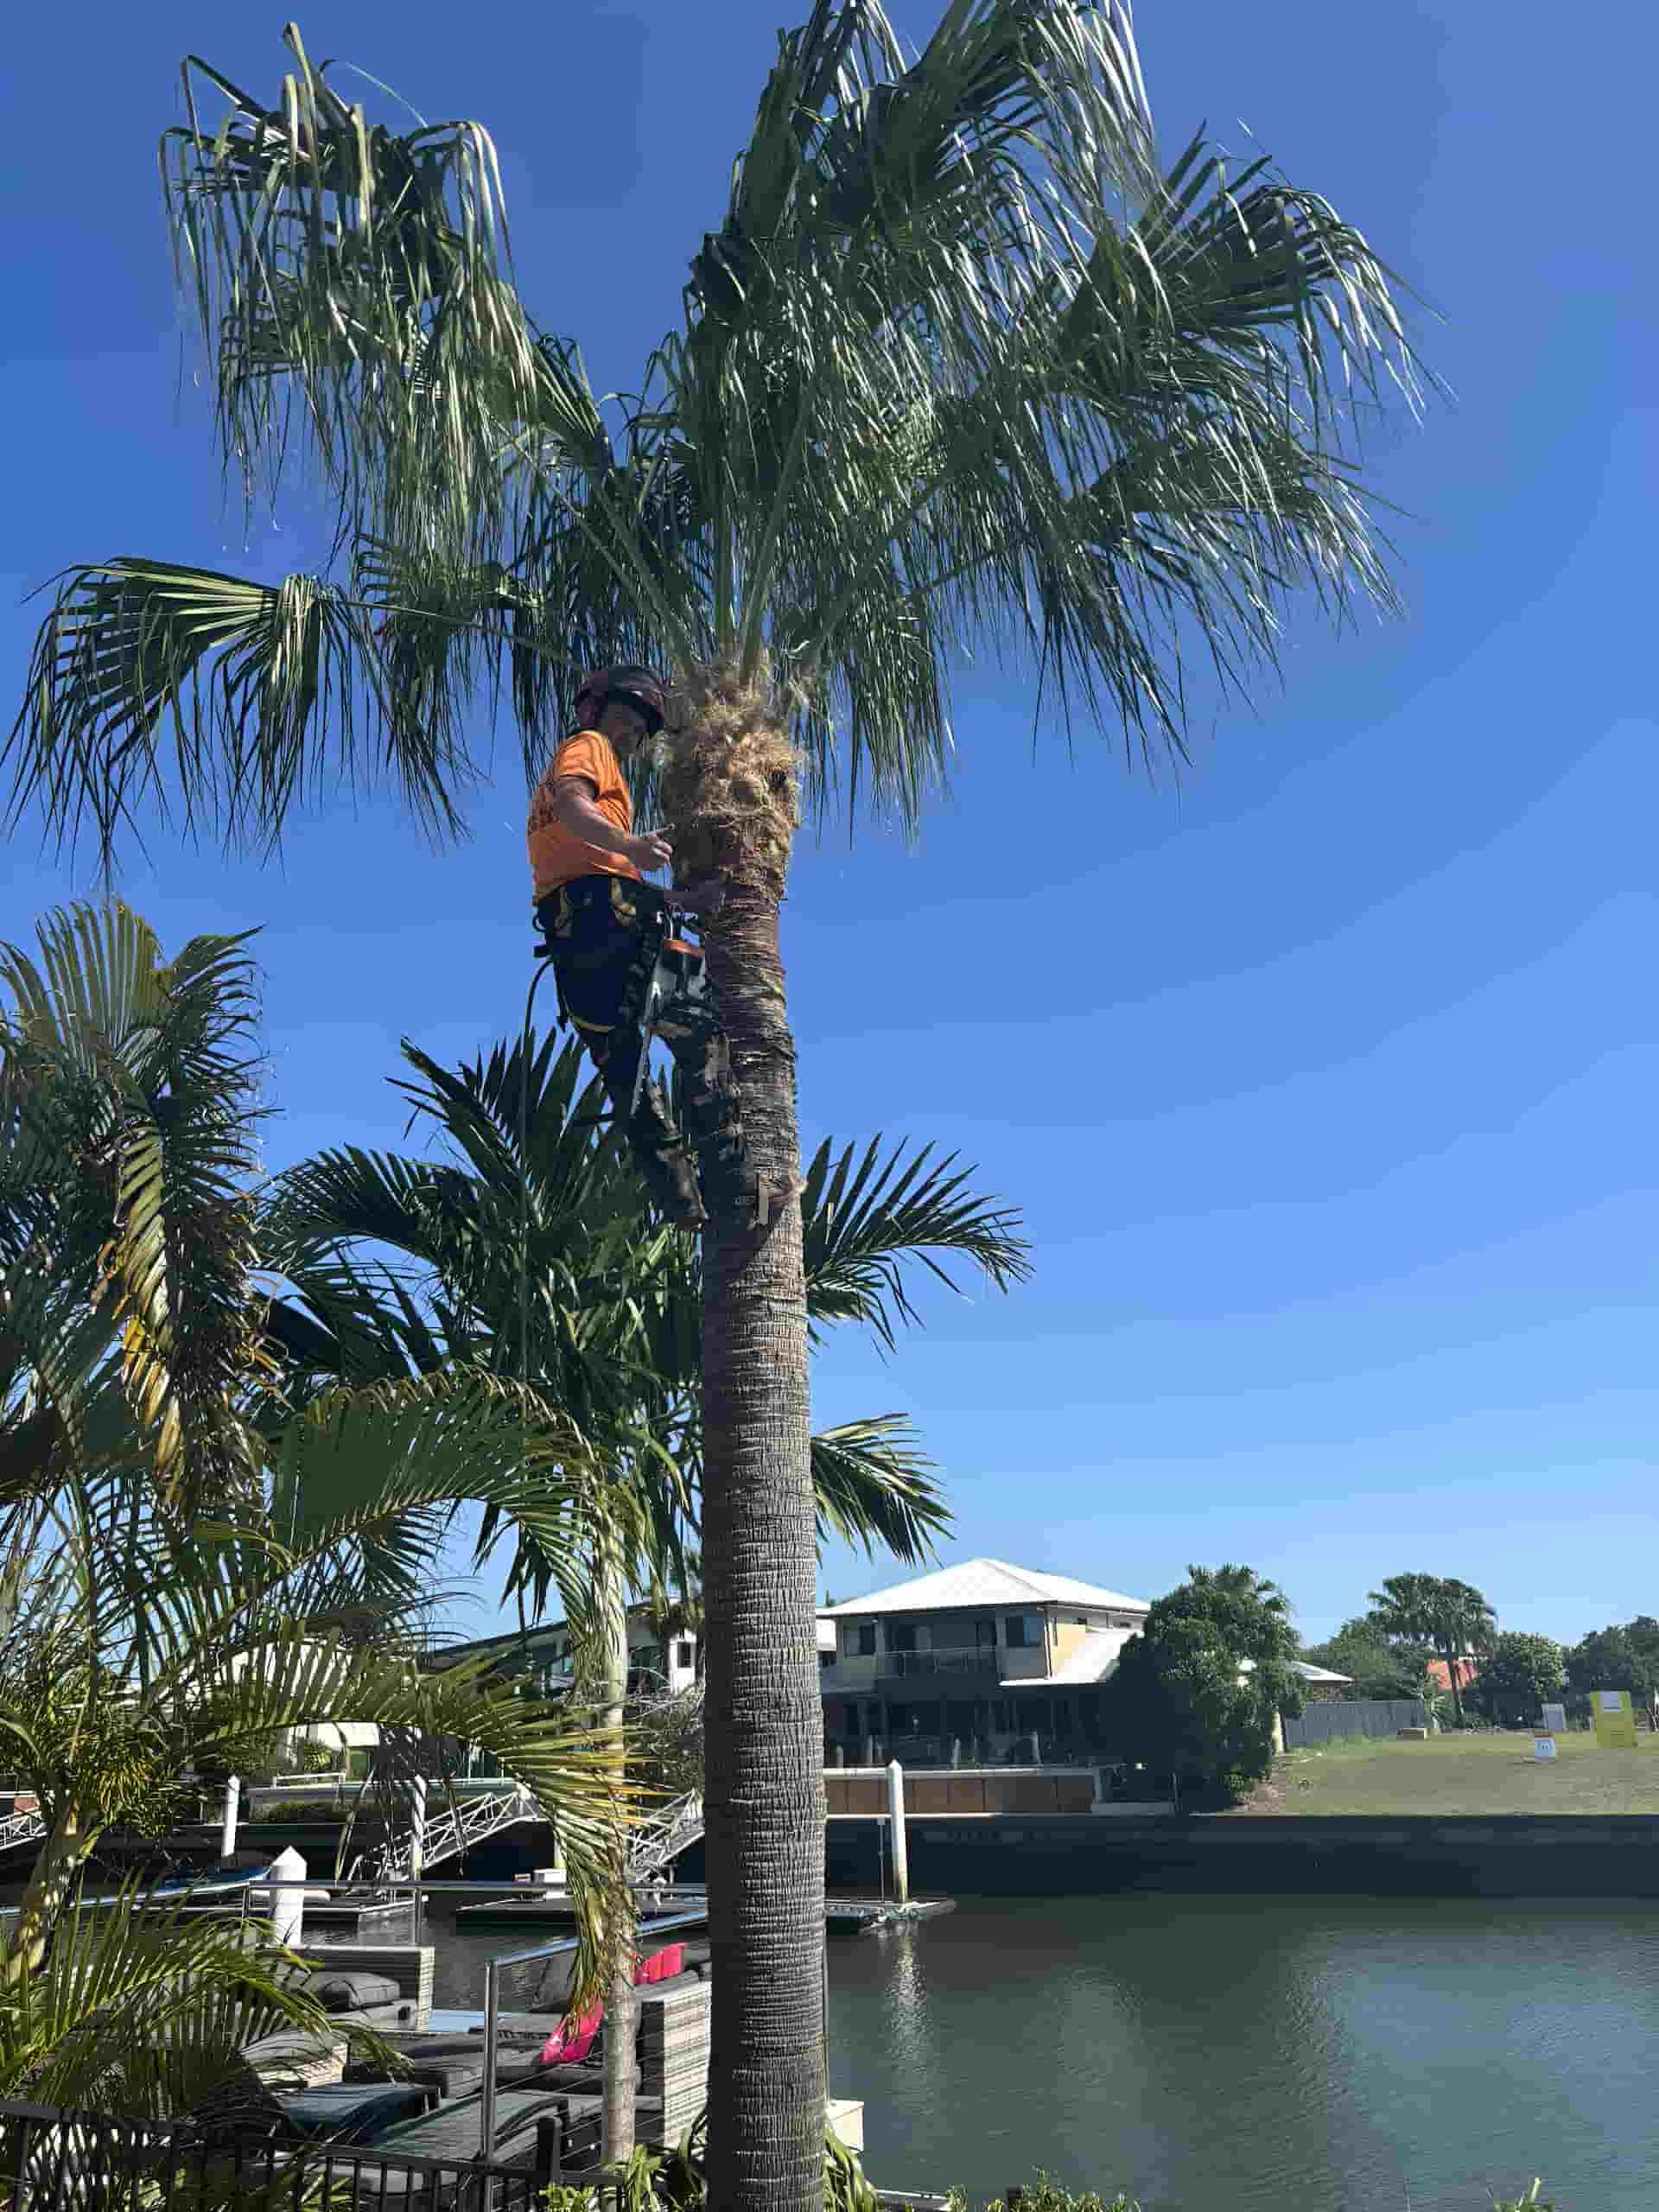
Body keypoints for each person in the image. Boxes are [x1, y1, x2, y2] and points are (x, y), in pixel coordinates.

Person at [527, 665, 752, 1230]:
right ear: (595, 710)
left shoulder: (586, 786)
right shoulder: (588, 748)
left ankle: (682, 1203)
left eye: (643, 728)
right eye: (630, 719)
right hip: (614, 925)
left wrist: (682, 899)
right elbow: (576, 808)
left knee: (625, 1073)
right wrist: (629, 841)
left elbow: (604, 874)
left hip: (577, 939)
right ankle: (740, 1192)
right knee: (703, 1037)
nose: (634, 735)